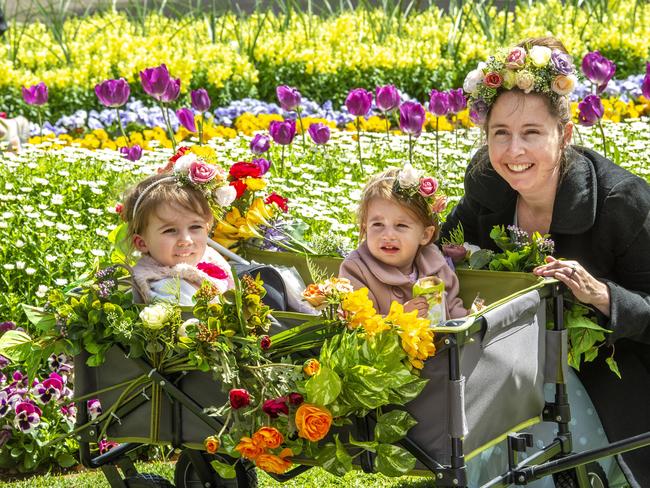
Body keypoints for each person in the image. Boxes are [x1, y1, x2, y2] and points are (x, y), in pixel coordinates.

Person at [440, 36, 650, 485]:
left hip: (613, 378)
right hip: (514, 370)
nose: (514, 152)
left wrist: (602, 296)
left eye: (531, 133)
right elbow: (444, 245)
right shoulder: (487, 186)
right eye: (501, 134)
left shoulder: (621, 202)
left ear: (565, 134)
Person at [340, 165, 467, 319]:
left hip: (443, 342)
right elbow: (359, 322)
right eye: (378, 225)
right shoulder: (357, 269)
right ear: (365, 228)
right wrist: (399, 318)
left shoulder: (435, 264)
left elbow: (453, 306)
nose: (388, 235)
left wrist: (469, 319)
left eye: (401, 225)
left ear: (425, 235)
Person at [121, 154, 236, 305]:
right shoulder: (169, 289)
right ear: (142, 243)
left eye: (195, 227)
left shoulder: (205, 257)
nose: (186, 240)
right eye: (170, 230)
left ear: (207, 228)